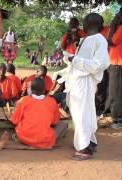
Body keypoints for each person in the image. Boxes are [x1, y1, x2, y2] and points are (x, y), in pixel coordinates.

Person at [66, 13, 109, 160]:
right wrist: (70, 58)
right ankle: (88, 142)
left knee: (82, 114)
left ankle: (84, 148)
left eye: (84, 22)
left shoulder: (99, 40)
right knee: (84, 113)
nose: (81, 25)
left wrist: (74, 60)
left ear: (89, 24)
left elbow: (100, 64)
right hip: (79, 81)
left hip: (84, 81)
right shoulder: (87, 39)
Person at [0, 78, 68, 150]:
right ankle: (47, 140)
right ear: (44, 90)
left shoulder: (24, 100)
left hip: (24, 137)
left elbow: (14, 120)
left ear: (31, 89)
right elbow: (55, 121)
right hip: (44, 139)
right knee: (63, 124)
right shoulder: (52, 101)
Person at [104, 9, 122, 129]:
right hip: (114, 62)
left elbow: (110, 41)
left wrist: (114, 25)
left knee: (115, 92)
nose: (115, 16)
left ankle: (118, 119)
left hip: (117, 63)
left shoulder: (120, 28)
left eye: (118, 14)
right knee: (113, 91)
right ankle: (112, 115)